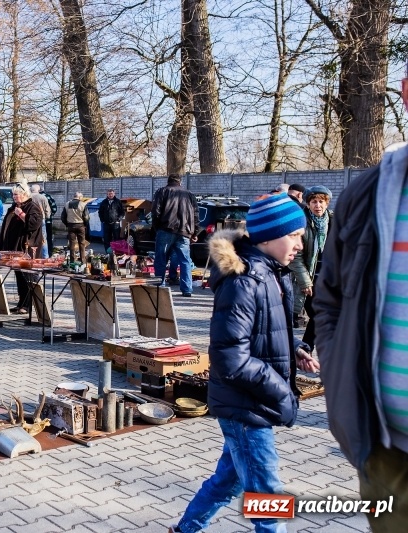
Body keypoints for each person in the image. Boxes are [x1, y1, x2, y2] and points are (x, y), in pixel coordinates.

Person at [170, 193, 318, 533]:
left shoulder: (271, 273)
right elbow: (230, 357)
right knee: (267, 497)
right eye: (294, 235)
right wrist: (280, 387)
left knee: (228, 482)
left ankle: (184, 529)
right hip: (246, 404)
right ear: (269, 236)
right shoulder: (244, 280)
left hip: (250, 401)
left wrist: (290, 350)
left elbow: (258, 333)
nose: (301, 243)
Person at [314, 65, 408, 532]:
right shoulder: (364, 196)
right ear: (406, 93)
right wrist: (337, 377)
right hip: (386, 452)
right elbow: (328, 301)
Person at [290, 185, 332, 350]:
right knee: (317, 315)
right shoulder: (301, 223)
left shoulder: (335, 222)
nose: (318, 205)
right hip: (307, 280)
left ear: (326, 203)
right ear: (307, 204)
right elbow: (296, 256)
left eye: (321, 201)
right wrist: (305, 281)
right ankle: (302, 350)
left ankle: (306, 349)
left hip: (328, 280)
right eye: (314, 201)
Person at [151, 174, 198, 297]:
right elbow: (195, 215)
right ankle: (187, 289)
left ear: (168, 181)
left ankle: (160, 286)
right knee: (185, 261)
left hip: (165, 229)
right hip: (184, 231)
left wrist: (157, 228)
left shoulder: (162, 191)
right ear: (180, 182)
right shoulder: (189, 194)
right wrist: (195, 232)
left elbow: (155, 212)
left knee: (161, 259)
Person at [0, 182, 44, 313]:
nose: (14, 197)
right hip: (14, 248)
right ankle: (21, 303)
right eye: (13, 194)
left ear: (24, 194)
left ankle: (29, 305)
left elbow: (34, 224)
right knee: (19, 276)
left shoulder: (32, 207)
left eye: (16, 194)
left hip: (27, 248)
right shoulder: (14, 206)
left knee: (28, 277)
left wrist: (22, 215)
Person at [61, 191, 89, 262]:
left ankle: (72, 260)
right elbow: (86, 217)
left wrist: (67, 224)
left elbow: (63, 217)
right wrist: (85, 224)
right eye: (82, 197)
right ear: (79, 197)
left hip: (71, 225)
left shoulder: (67, 204)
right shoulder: (83, 204)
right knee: (82, 243)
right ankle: (83, 260)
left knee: (72, 244)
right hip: (80, 225)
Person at [98, 188, 124, 253]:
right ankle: (108, 252)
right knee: (107, 239)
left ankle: (117, 252)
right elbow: (100, 212)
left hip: (115, 224)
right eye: (109, 194)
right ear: (107, 194)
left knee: (116, 239)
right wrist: (102, 220)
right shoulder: (104, 202)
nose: (110, 195)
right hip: (106, 223)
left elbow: (122, 212)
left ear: (114, 194)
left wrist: (119, 219)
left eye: (111, 194)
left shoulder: (118, 201)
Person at [30, 184, 51, 258]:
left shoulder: (28, 197)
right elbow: (47, 209)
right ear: (38, 190)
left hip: (30, 219)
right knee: (43, 238)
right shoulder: (43, 197)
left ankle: (31, 255)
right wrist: (47, 217)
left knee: (30, 238)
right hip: (41, 219)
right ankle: (45, 256)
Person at [41, 187, 57, 255]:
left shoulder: (32, 196)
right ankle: (49, 252)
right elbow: (54, 207)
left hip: (37, 221)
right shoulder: (48, 196)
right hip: (47, 221)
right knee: (48, 238)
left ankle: (40, 253)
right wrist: (50, 215)